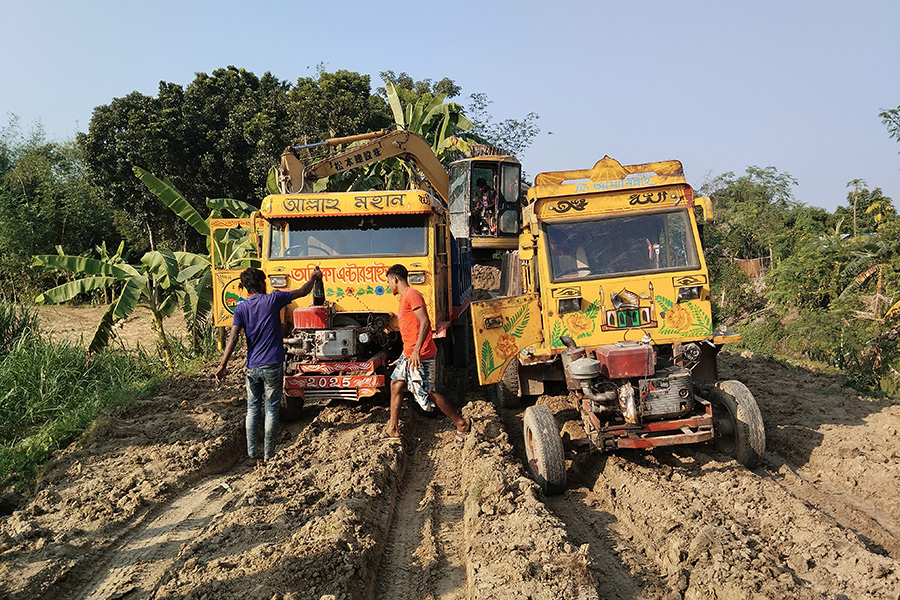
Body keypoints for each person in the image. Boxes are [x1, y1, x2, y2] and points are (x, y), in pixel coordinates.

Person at [215, 267, 323, 466]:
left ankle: (252, 456)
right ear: (262, 283)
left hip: (252, 366)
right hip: (273, 363)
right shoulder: (273, 300)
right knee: (272, 408)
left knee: (252, 409)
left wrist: (223, 365)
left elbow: (232, 337)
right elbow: (302, 292)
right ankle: (268, 455)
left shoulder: (241, 308)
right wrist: (314, 278)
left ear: (246, 287)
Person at [379, 264, 471, 445]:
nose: (389, 286)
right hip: (409, 353)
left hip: (421, 354)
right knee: (395, 384)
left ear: (395, 279)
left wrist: (415, 351)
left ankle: (462, 423)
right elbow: (411, 328)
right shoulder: (404, 298)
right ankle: (393, 428)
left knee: (427, 392)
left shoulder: (412, 296)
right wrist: (406, 354)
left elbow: (425, 322)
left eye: (389, 282)